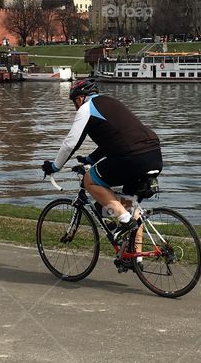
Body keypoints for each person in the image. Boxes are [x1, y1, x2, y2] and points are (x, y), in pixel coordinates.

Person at [41, 79, 162, 241]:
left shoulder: (86, 108)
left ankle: (125, 222)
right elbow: (114, 140)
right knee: (128, 207)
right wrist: (88, 159)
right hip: (153, 155)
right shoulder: (110, 102)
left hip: (132, 157)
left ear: (79, 99)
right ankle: (135, 259)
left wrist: (54, 166)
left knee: (89, 180)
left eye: (74, 103)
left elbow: (70, 144)